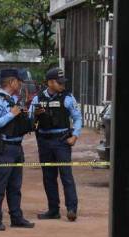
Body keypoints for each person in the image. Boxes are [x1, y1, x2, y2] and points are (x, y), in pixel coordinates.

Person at [30, 67, 83, 221]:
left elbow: (78, 118)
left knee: (66, 175)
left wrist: (75, 136)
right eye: (59, 83)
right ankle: (53, 210)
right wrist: (35, 115)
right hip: (44, 141)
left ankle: (72, 209)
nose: (62, 85)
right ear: (50, 82)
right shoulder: (37, 99)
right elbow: (30, 121)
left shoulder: (67, 98)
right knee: (48, 176)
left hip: (61, 140)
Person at [0, 68, 35, 231]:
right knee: (0, 186)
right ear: (11, 82)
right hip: (4, 148)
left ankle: (16, 217)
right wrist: (11, 115)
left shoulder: (14, 99)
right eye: (18, 81)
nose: (20, 84)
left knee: (15, 186)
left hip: (16, 147)